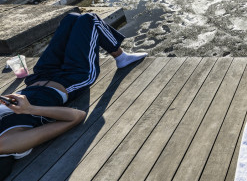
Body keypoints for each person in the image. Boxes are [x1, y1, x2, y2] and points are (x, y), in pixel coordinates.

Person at [0, 13, 147, 170]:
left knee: (71, 17)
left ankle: (119, 53)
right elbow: (76, 117)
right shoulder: (6, 143)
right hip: (71, 79)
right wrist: (30, 109)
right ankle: (121, 57)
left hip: (40, 75)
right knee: (89, 20)